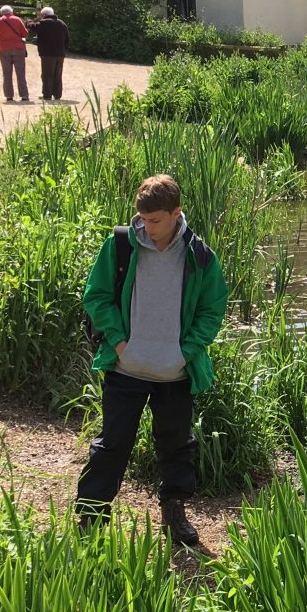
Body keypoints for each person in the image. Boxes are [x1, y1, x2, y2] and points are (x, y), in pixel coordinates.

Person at [76, 175, 229, 548]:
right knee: (112, 443)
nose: (148, 227)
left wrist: (185, 351)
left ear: (177, 213)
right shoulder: (121, 245)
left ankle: (174, 513)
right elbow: (96, 296)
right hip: (125, 368)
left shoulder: (201, 256)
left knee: (177, 444)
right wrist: (120, 342)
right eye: (142, 219)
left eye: (156, 220)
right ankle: (91, 516)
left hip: (175, 373)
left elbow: (212, 311)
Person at [28, 7, 69, 101]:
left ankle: (47, 95)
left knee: (47, 74)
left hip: (48, 53)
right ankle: (57, 95)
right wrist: (64, 50)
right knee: (58, 74)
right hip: (60, 53)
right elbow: (67, 39)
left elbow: (33, 27)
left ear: (44, 15)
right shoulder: (62, 23)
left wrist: (29, 21)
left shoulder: (44, 23)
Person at [0, 5, 30, 102]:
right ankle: (24, 95)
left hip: (4, 48)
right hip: (18, 48)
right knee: (20, 72)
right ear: (11, 11)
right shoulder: (17, 19)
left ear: (2, 13)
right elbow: (25, 34)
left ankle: (9, 96)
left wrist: (3, 42)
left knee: (6, 73)